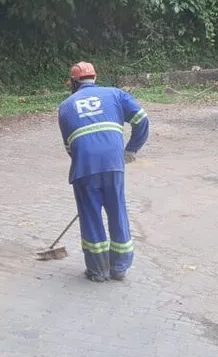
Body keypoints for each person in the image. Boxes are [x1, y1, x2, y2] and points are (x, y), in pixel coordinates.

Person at [57, 61, 150, 283]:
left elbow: (70, 147)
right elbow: (142, 120)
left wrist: (86, 165)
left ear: (73, 82)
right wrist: (131, 149)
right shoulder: (116, 95)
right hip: (113, 164)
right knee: (117, 211)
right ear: (95, 78)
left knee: (90, 216)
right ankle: (119, 268)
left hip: (85, 167)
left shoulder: (66, 106)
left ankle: (98, 271)